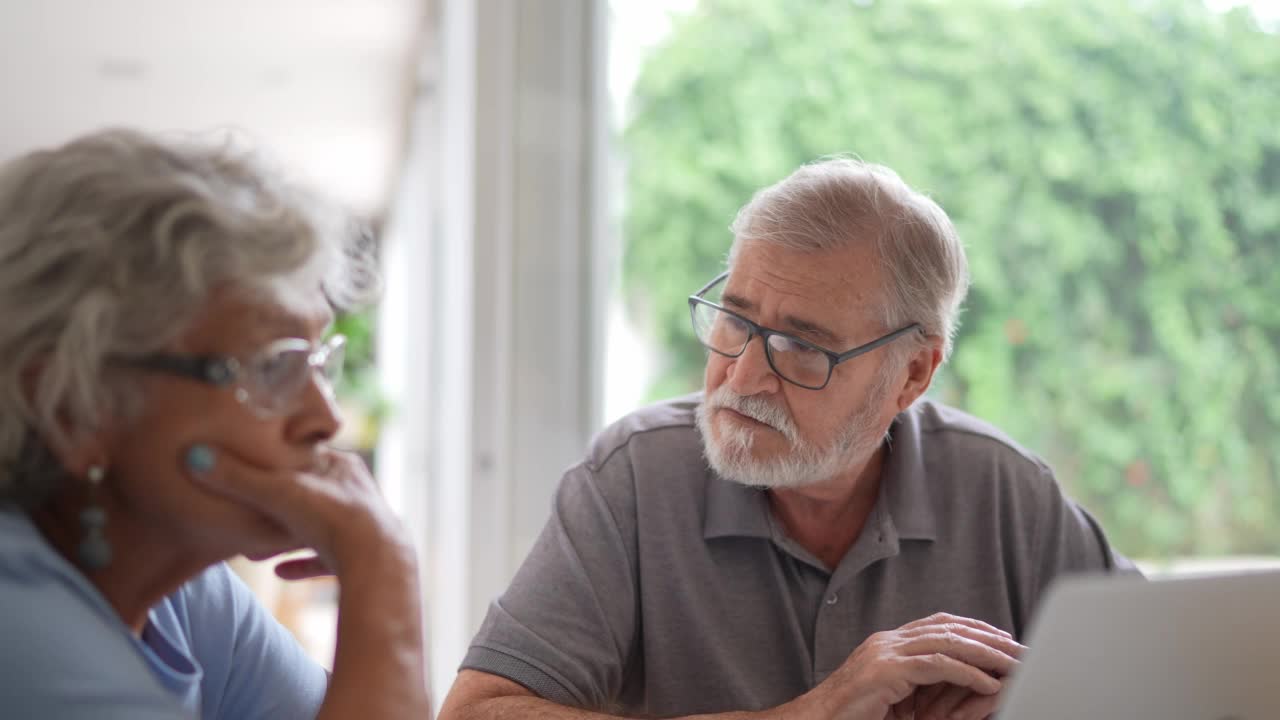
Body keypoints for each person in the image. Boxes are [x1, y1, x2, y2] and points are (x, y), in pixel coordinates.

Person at [439, 158, 1136, 720]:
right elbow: (477, 714)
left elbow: (1174, 682)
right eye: (735, 321)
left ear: (912, 374)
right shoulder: (633, 479)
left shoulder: (1006, 492)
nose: (741, 376)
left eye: (802, 347)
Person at [0, 129, 429, 719]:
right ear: (71, 411)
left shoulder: (179, 590)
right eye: (273, 366)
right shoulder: (19, 627)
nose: (326, 420)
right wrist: (383, 577)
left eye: (316, 364)